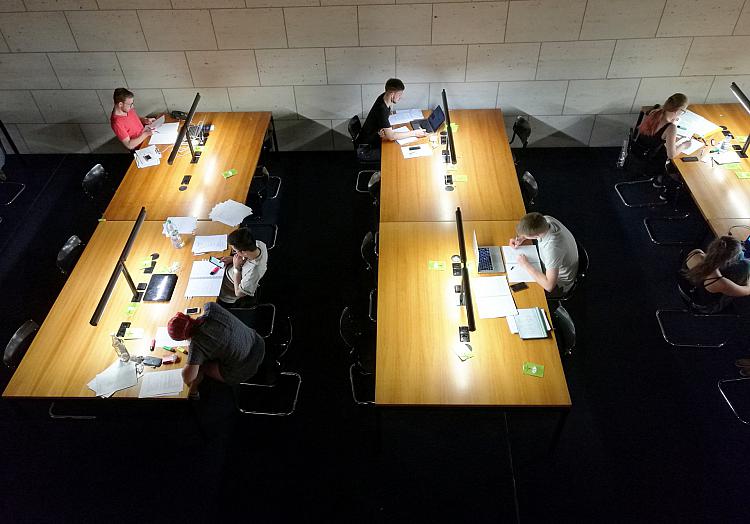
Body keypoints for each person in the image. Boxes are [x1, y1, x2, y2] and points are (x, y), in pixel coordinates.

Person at [168, 303, 265, 398]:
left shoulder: (197, 345)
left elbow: (188, 378)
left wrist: (191, 355)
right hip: (258, 342)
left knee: (201, 366)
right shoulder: (211, 307)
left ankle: (194, 391)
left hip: (245, 368)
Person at [632, 93, 695, 198]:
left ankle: (659, 179)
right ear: (678, 110)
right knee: (677, 166)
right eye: (683, 112)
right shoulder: (670, 128)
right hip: (649, 162)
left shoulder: (654, 112)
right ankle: (666, 188)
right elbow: (671, 154)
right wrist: (684, 145)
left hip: (638, 153)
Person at [356, 78, 427, 162]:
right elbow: (391, 136)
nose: (400, 98)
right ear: (392, 94)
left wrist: (381, 130)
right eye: (399, 95)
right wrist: (414, 133)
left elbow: (381, 122)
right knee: (397, 153)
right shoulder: (381, 109)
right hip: (367, 149)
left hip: (373, 137)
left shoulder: (383, 97)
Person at [509, 212, 579, 297]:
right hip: (552, 264)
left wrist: (525, 265)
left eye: (526, 235)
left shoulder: (553, 249)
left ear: (536, 236)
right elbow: (532, 227)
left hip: (558, 283)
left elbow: (549, 286)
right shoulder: (545, 219)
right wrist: (521, 237)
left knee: (521, 294)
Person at [682, 236, 750, 314]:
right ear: (728, 262)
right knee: (746, 265)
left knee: (743, 260)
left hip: (689, 286)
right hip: (701, 306)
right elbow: (747, 290)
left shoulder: (696, 252)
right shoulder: (718, 282)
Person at [218, 227, 268, 305]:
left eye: (235, 251)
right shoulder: (259, 244)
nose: (235, 252)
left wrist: (236, 268)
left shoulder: (253, 273)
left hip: (226, 288)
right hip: (230, 268)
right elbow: (247, 257)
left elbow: (238, 293)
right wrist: (232, 259)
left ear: (244, 252)